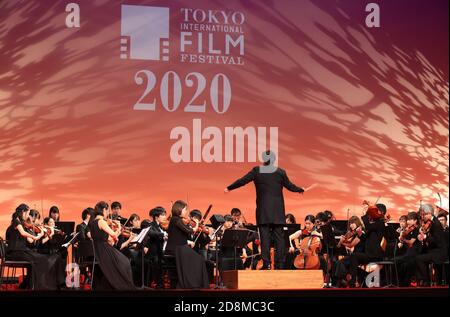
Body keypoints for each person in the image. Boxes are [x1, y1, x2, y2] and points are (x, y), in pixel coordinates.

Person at [225, 150, 304, 269]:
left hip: (263, 211)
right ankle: (280, 265)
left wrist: (229, 188)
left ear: (263, 159)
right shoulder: (280, 172)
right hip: (277, 212)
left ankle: (266, 264)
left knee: (265, 238)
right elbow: (290, 186)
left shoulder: (257, 171)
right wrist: (300, 189)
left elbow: (242, 181)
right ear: (273, 160)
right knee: (279, 238)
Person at [5, 204, 61, 290]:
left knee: (40, 259)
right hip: (15, 252)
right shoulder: (16, 222)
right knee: (37, 259)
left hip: (22, 250)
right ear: (23, 212)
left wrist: (38, 235)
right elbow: (23, 233)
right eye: (28, 213)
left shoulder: (21, 223)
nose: (28, 216)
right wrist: (34, 236)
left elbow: (30, 239)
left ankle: (34, 285)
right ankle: (35, 286)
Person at [88, 201, 135, 290]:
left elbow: (109, 239)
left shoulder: (94, 222)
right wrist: (119, 229)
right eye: (107, 210)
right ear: (103, 210)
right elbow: (113, 234)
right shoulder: (101, 221)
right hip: (104, 249)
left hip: (99, 250)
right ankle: (122, 285)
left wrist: (115, 236)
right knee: (125, 262)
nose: (107, 213)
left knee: (123, 262)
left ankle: (112, 285)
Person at [165, 200, 209, 289]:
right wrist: (196, 224)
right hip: (176, 249)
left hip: (181, 247)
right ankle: (191, 283)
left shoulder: (177, 220)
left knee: (199, 258)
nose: (186, 212)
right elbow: (190, 231)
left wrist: (188, 242)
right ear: (179, 209)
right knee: (199, 259)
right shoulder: (175, 219)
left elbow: (180, 235)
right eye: (185, 209)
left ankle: (193, 282)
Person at [348, 203, 386, 287]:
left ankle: (353, 281)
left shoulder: (380, 223)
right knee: (353, 256)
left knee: (354, 256)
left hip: (375, 254)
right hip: (369, 253)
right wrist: (360, 234)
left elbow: (368, 226)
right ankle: (354, 281)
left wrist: (365, 214)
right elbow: (366, 239)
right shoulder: (373, 224)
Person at [415, 204, 447, 286]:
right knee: (418, 256)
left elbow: (436, 240)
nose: (423, 217)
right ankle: (424, 280)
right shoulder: (431, 223)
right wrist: (422, 236)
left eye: (424, 214)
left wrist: (425, 236)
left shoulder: (436, 224)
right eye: (422, 215)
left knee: (419, 259)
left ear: (430, 213)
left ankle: (426, 281)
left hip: (439, 252)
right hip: (433, 250)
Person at [144, 206, 168, 288]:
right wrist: (163, 235)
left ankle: (161, 283)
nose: (165, 217)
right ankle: (158, 284)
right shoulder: (150, 225)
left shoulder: (160, 227)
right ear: (157, 217)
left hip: (160, 253)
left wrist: (164, 237)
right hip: (153, 254)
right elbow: (151, 233)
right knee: (158, 263)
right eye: (163, 215)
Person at [395, 212, 421, 286]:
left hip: (414, 253)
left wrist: (403, 240)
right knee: (403, 264)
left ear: (415, 221)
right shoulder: (409, 229)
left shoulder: (417, 230)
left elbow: (411, 242)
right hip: (409, 253)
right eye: (408, 220)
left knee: (399, 261)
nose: (408, 221)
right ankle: (402, 284)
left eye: (410, 220)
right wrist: (401, 236)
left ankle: (404, 283)